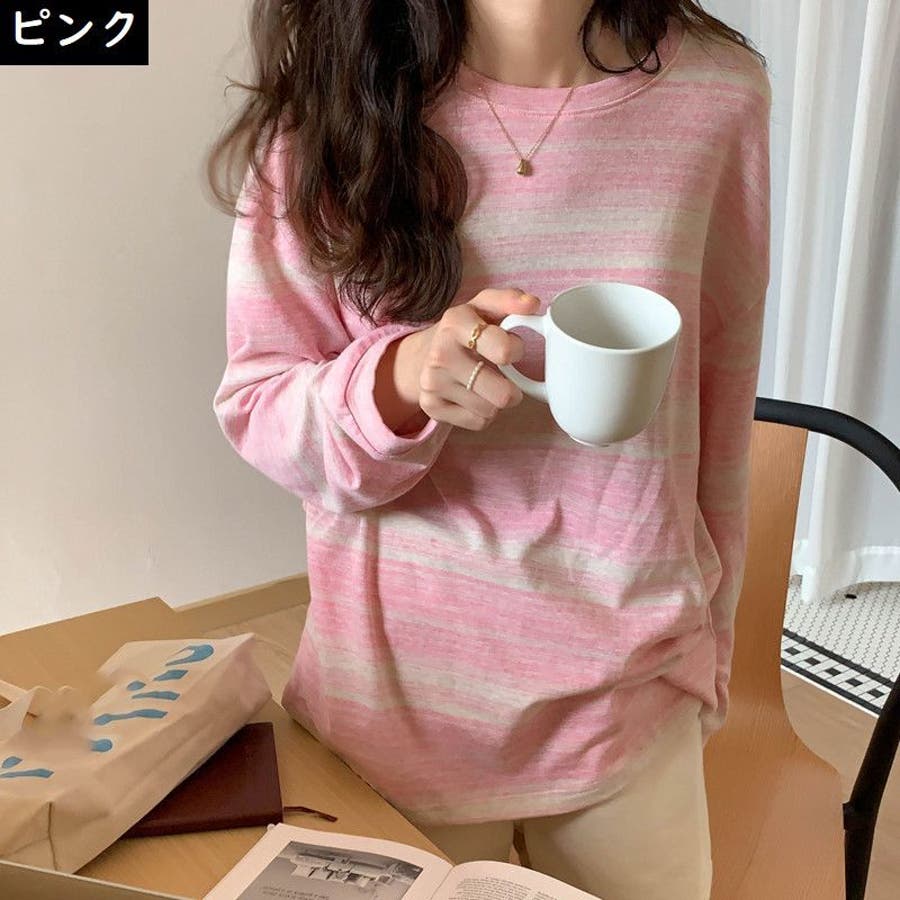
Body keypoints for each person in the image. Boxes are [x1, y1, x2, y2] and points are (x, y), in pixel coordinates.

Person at [208, 3, 771, 899]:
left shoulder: (719, 96)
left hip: (631, 707)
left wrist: (711, 654)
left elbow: (720, 402)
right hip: (395, 715)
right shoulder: (328, 109)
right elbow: (258, 407)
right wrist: (398, 380)